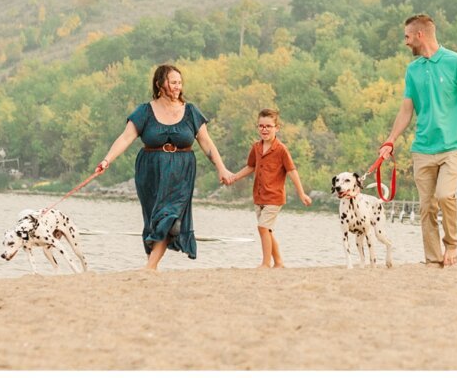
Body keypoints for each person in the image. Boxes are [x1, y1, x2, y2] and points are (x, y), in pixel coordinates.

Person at [376, 14, 457, 268]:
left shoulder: (456, 62)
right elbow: (406, 110)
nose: (405, 42)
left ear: (420, 35)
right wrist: (390, 140)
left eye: (407, 37)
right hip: (422, 149)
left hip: (453, 146)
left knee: (445, 196)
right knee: (427, 208)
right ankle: (433, 260)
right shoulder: (413, 69)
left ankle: (452, 244)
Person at [94, 64, 234, 271]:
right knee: (154, 219)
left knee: (171, 217)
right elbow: (125, 138)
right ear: (160, 84)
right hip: (150, 171)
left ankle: (150, 267)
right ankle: (152, 265)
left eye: (180, 82)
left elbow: (206, 143)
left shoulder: (191, 111)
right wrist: (106, 160)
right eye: (173, 82)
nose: (178, 87)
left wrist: (221, 168)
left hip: (181, 171)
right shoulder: (144, 111)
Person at [229, 108, 312, 268]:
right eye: (261, 126)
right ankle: (279, 262)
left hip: (274, 197)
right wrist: (234, 177)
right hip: (259, 196)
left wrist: (301, 194)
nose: (264, 129)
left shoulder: (281, 149)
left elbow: (292, 171)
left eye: (268, 126)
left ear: (276, 128)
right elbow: (250, 167)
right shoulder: (256, 147)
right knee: (267, 230)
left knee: (262, 227)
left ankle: (266, 263)